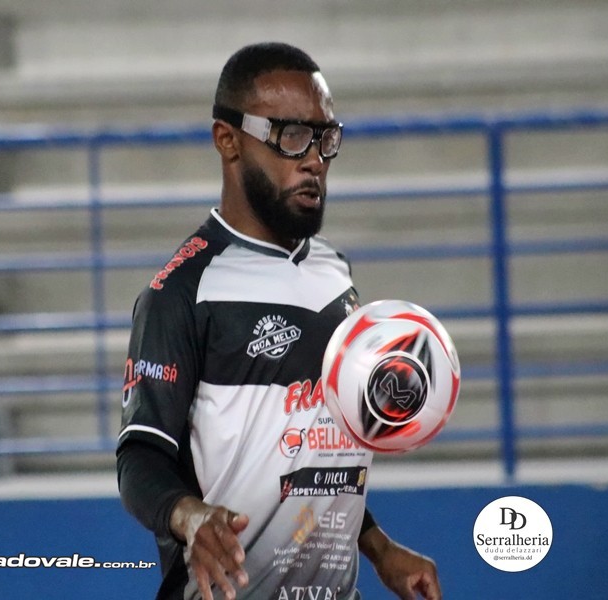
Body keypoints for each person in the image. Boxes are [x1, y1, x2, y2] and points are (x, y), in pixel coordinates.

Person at [117, 42, 441, 600]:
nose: (314, 159)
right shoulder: (182, 292)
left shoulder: (336, 275)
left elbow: (315, 453)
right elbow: (140, 457)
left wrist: (379, 547)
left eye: (325, 138)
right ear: (228, 140)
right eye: (291, 136)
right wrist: (190, 516)